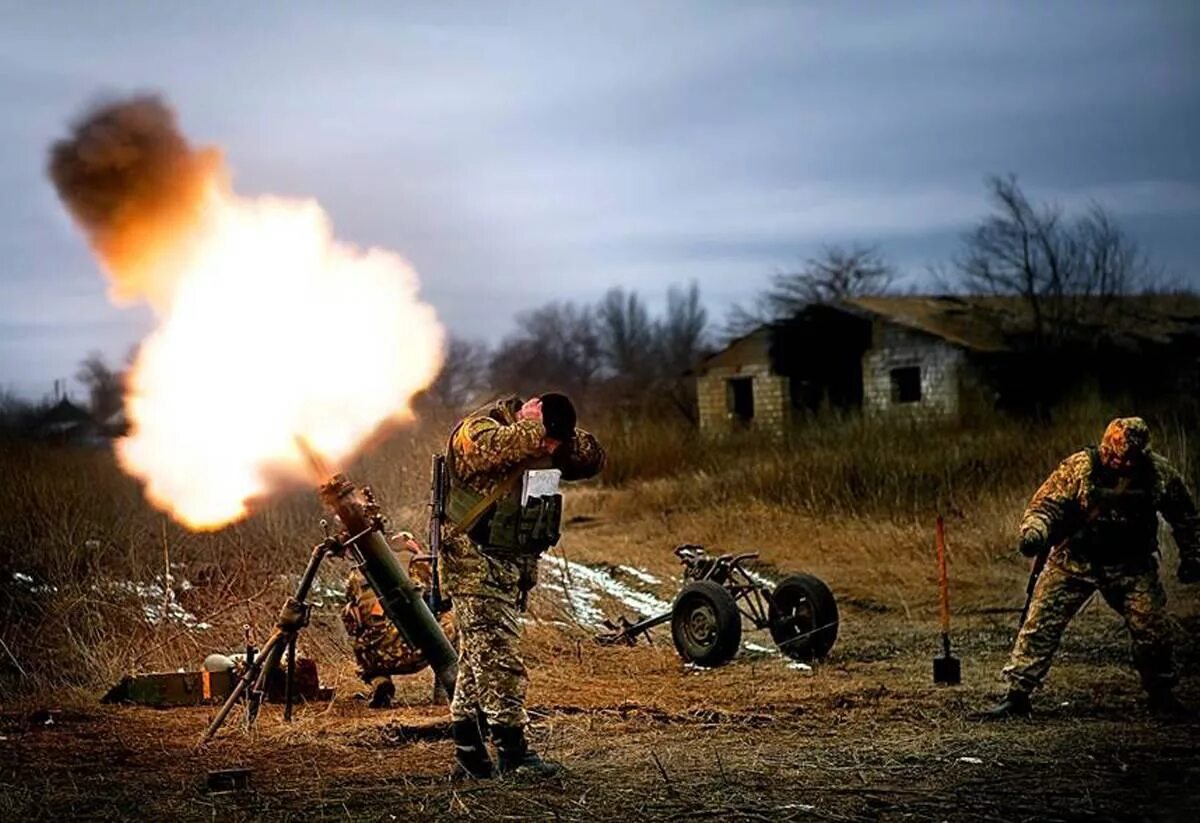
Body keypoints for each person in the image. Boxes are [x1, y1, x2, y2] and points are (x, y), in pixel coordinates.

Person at [987, 417, 1199, 719]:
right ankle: (1017, 695)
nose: (1123, 463)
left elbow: (1185, 515)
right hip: (1075, 562)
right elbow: (1046, 505)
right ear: (1106, 448)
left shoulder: (1157, 474)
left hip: (1131, 567)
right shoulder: (1080, 467)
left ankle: (1162, 696)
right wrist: (1034, 532)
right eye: (1117, 457)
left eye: (1130, 458)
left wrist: (1192, 555)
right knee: (1040, 625)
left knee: (1153, 630)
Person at [439, 392, 604, 779]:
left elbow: (592, 459)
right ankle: (513, 755)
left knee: (478, 659)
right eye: (545, 440)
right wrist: (533, 430)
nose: (548, 449)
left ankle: (469, 752)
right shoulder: (478, 430)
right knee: (499, 659)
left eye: (552, 443)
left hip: (509, 568)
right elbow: (492, 449)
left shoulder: (542, 441)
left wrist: (559, 438)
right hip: (475, 564)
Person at [342, 532, 455, 708]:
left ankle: (380, 681)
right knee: (451, 618)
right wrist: (421, 555)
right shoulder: (417, 564)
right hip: (410, 652)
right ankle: (444, 688)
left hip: (371, 657)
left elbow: (352, 610)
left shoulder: (357, 572)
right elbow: (443, 597)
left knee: (362, 621)